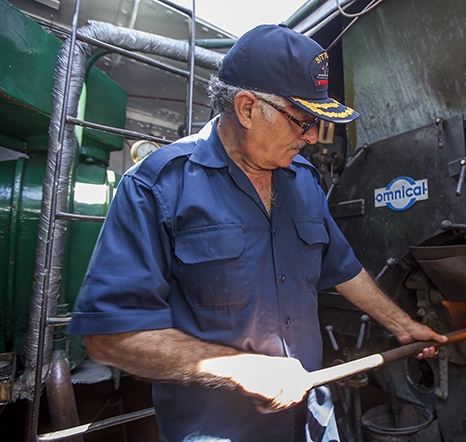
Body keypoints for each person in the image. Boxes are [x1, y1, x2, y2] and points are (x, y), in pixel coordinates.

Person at [67, 24, 446, 442]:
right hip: (217, 429)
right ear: (247, 108)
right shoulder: (156, 187)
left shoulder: (302, 177)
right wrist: (242, 369)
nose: (312, 138)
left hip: (310, 415)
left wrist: (402, 324)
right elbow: (109, 337)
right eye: (302, 121)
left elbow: (341, 266)